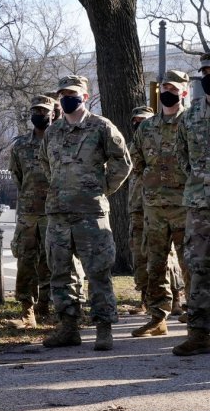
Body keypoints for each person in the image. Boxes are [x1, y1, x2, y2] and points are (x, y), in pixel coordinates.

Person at [40, 75, 132, 351]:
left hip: (90, 212)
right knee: (60, 272)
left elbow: (122, 161)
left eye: (72, 93)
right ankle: (68, 327)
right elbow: (47, 164)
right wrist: (59, 188)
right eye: (63, 94)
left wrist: (101, 188)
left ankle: (104, 329)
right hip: (58, 213)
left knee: (98, 271)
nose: (67, 98)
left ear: (85, 95)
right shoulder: (53, 131)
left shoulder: (101, 127)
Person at [131, 70, 192, 337]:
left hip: (185, 206)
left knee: (191, 263)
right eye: (164, 88)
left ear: (184, 92)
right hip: (154, 208)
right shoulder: (147, 127)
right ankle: (158, 317)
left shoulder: (191, 123)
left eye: (173, 88)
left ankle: (198, 316)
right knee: (154, 264)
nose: (168, 92)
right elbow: (137, 161)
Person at [173, 53, 210, 355]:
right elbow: (182, 155)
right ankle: (198, 333)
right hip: (200, 204)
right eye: (206, 71)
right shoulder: (192, 115)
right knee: (198, 266)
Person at [7, 95, 55, 329]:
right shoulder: (21, 145)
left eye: (44, 112)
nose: (40, 115)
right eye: (36, 111)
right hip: (28, 212)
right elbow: (16, 176)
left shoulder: (59, 140)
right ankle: (27, 310)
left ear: (53, 114)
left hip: (54, 210)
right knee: (26, 260)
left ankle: (46, 305)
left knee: (50, 260)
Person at [127, 106, 155, 315]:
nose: (139, 124)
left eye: (143, 120)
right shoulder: (130, 147)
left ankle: (173, 297)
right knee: (139, 255)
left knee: (163, 256)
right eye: (136, 121)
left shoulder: (160, 144)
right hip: (137, 207)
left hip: (158, 206)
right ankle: (145, 298)